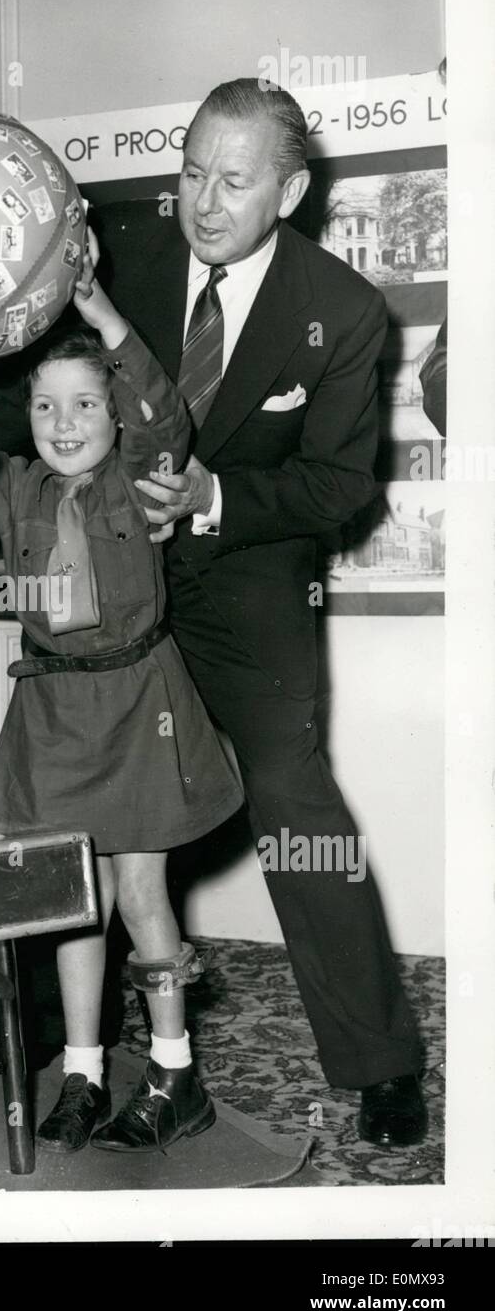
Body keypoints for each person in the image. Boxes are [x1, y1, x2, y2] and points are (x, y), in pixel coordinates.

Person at [93, 78, 426, 1147]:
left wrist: (213, 497)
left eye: (231, 182)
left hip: (248, 579)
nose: (202, 201)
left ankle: (377, 1061)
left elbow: (340, 488)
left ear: (284, 192)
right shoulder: (122, 264)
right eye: (189, 172)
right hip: (114, 570)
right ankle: (72, 1029)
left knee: (293, 805)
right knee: (88, 791)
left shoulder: (343, 308)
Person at [0, 233, 242, 1154]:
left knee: (139, 894)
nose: (64, 422)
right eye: (47, 405)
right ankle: (86, 1071)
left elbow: (165, 417)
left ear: (112, 414)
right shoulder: (10, 487)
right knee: (72, 902)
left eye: (86, 403)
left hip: (139, 703)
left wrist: (98, 313)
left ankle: (176, 1071)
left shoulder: (141, 483)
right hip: (53, 714)